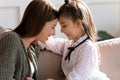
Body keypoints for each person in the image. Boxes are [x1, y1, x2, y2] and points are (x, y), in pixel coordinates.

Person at [38, 0, 110, 80]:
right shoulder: (69, 44)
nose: (61, 30)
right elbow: (52, 44)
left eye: (64, 25)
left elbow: (76, 78)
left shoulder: (88, 48)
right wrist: (37, 37)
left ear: (78, 23)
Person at [0, 0, 58, 80]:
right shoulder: (11, 39)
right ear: (40, 23)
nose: (54, 33)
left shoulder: (32, 49)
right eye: (53, 27)